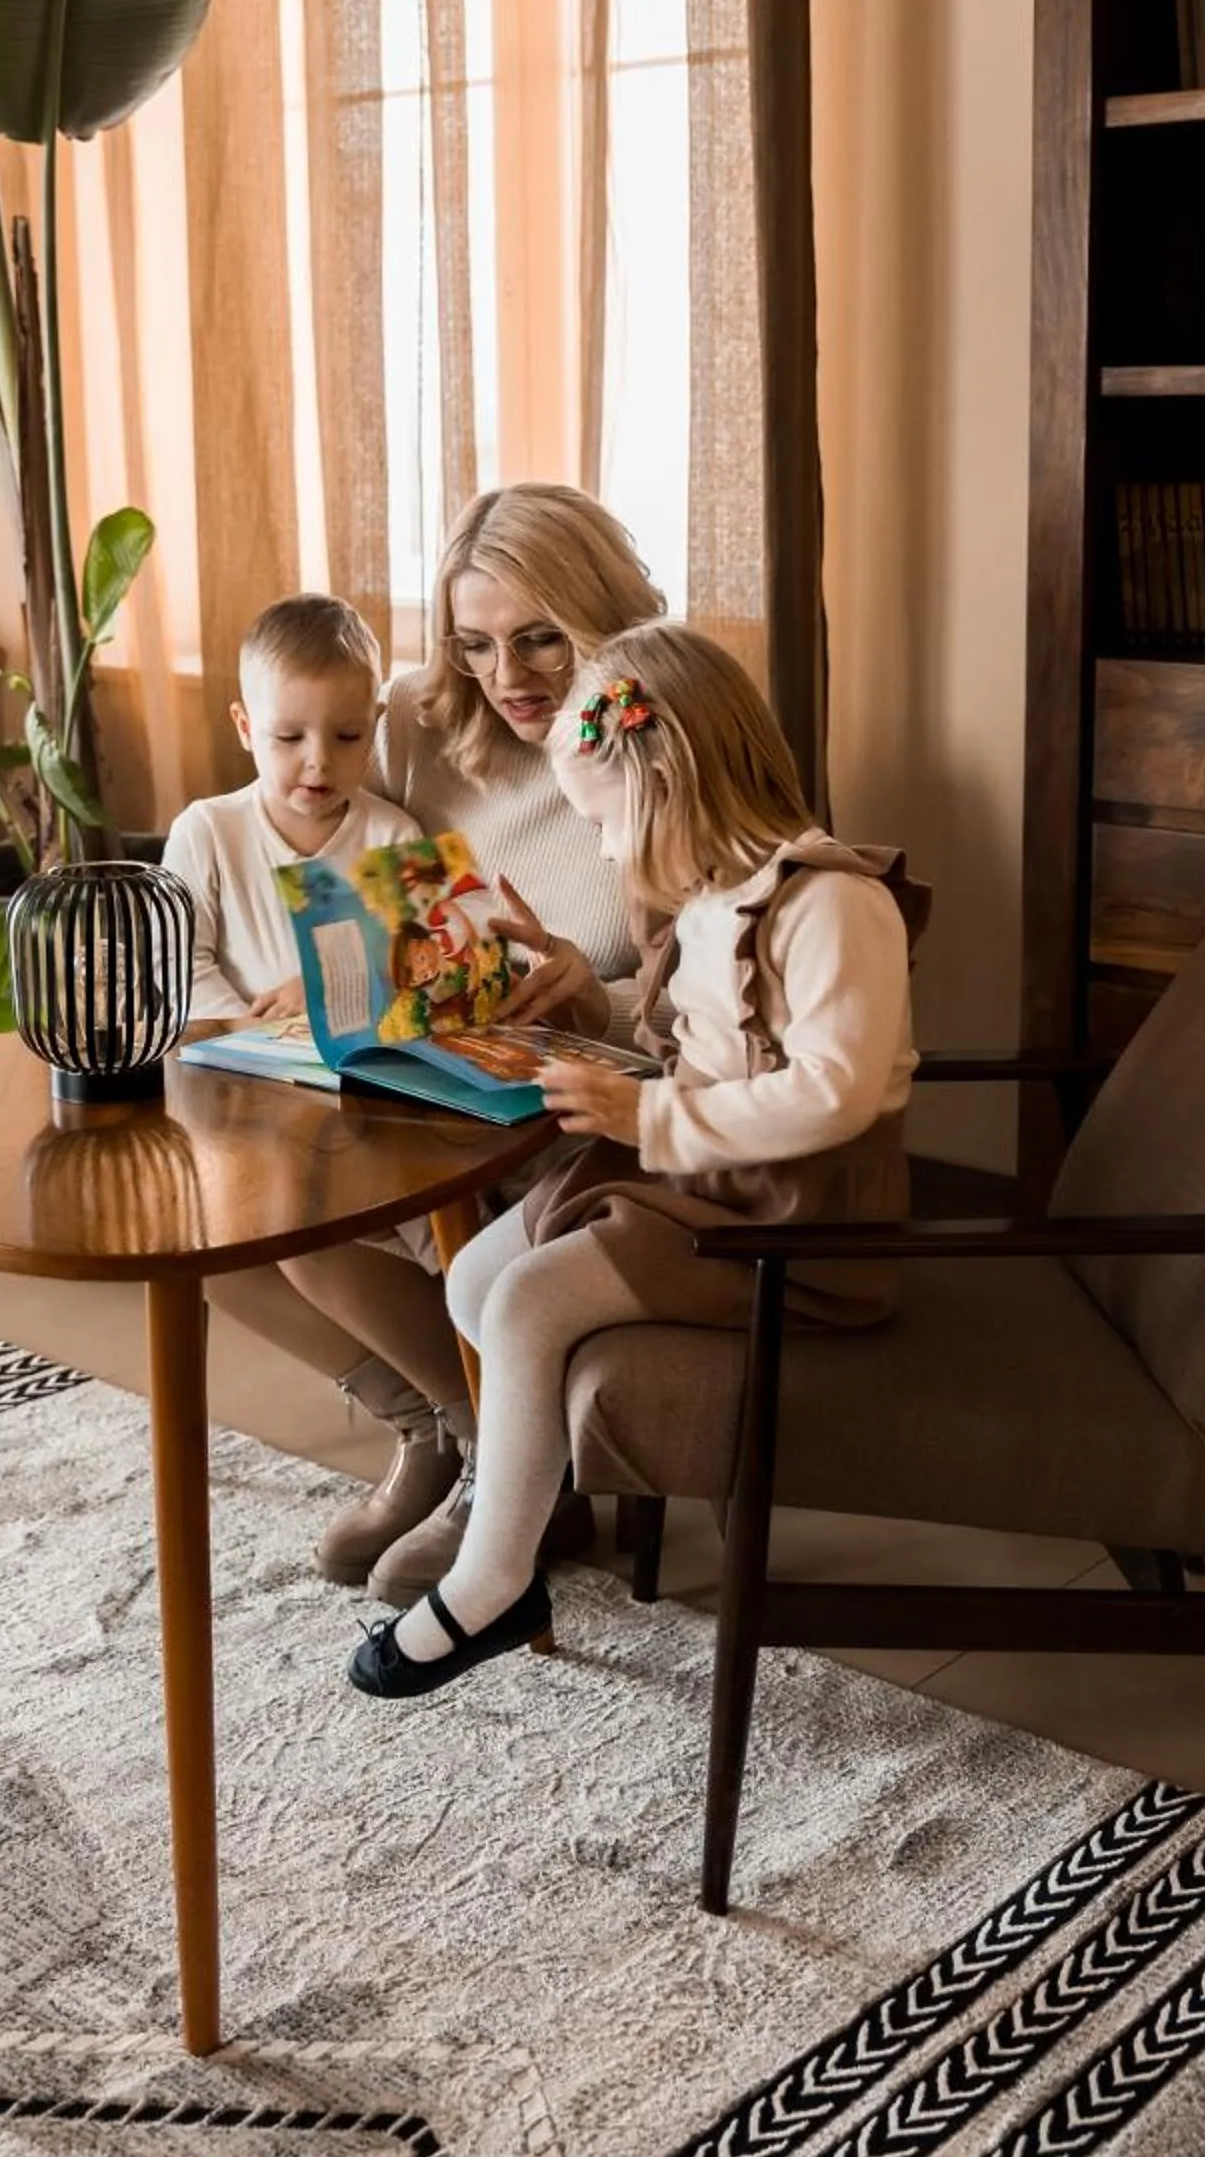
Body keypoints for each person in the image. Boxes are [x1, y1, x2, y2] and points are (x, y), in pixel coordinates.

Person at [343, 622, 930, 1697]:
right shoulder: (708, 899)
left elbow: (831, 1093)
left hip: (790, 1215)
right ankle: (532, 1471)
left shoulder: (835, 904)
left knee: (525, 1306)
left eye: (606, 824)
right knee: (476, 1280)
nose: (605, 854)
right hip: (692, 1177)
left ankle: (493, 1580)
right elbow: (686, 1041)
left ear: (666, 785)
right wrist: (572, 994)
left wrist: (643, 1118)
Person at [206, 485, 668, 1593]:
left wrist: (588, 994)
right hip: (437, 1075)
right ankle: (445, 1433)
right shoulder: (417, 719)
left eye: (540, 638)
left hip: (590, 1092)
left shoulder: (653, 734)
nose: (506, 677)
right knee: (224, 1215)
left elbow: (703, 987)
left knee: (320, 1201)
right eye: (473, 644)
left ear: (602, 619)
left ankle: (504, 1466)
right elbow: (339, 850)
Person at [161, 595, 419, 1021]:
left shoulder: (394, 837)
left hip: (363, 1068)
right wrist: (249, 1032)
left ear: (374, 726)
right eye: (288, 737)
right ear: (245, 728)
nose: (319, 760)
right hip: (234, 1064)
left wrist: (327, 987)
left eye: (348, 736)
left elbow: (415, 962)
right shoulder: (206, 831)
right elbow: (177, 967)